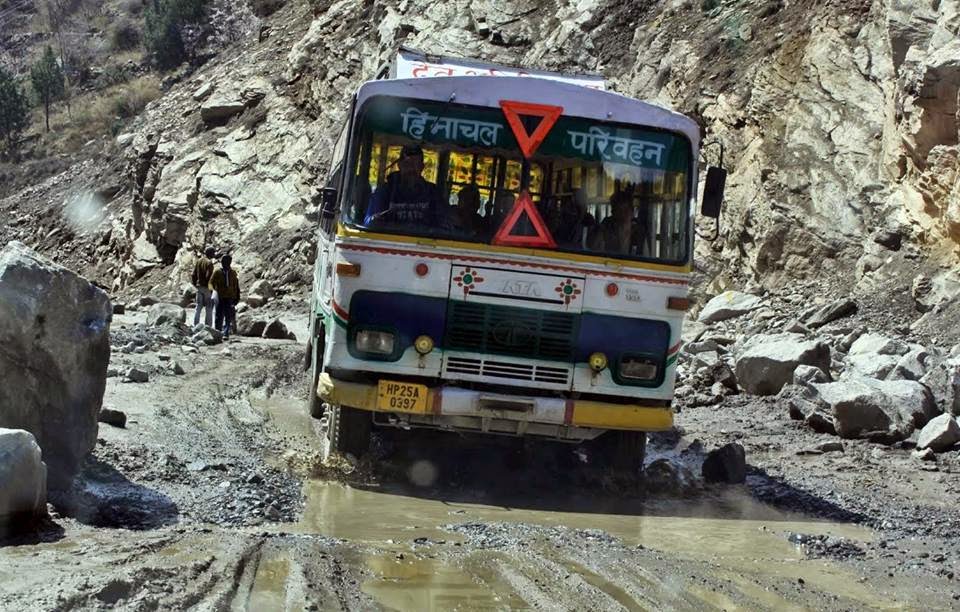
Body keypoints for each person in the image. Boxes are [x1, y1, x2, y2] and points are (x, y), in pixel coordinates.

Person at [363, 145, 447, 228]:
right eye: (407, 164)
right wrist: (377, 219)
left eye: (415, 164)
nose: (411, 168)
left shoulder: (432, 192)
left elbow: (445, 224)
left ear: (422, 167)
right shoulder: (385, 190)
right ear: (399, 165)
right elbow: (368, 222)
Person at [210, 254, 240, 339]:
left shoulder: (233, 273)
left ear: (229, 262)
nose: (225, 263)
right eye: (223, 262)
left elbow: (236, 285)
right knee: (219, 315)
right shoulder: (217, 272)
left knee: (228, 315)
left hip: (230, 297)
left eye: (227, 262)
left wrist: (237, 296)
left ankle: (226, 333)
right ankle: (218, 332)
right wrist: (213, 291)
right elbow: (211, 283)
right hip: (220, 297)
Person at [191, 246, 216, 327]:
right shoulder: (209, 263)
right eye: (213, 253)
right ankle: (208, 326)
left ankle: (195, 325)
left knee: (198, 307)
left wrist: (195, 284)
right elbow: (208, 276)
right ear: (210, 253)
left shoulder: (199, 261)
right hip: (207, 288)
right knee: (209, 308)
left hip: (199, 287)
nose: (214, 255)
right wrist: (211, 288)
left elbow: (193, 274)